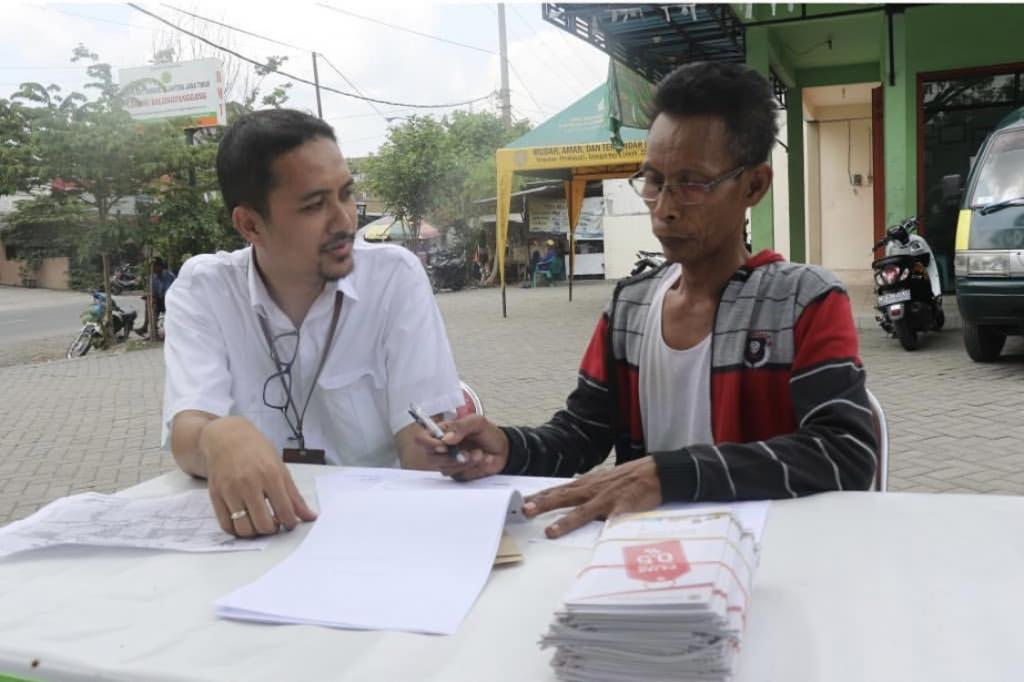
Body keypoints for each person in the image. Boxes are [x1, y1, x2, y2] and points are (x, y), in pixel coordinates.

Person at [425, 61, 877, 538]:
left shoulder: (804, 302)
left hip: (768, 562)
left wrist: (671, 473)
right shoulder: (631, 306)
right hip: (643, 560)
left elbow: (844, 453)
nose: (664, 209)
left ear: (754, 186)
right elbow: (582, 433)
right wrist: (507, 448)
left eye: (692, 183)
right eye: (654, 181)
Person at [163, 109, 464, 538]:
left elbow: (419, 447)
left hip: (379, 534)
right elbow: (188, 434)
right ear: (250, 225)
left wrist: (450, 452)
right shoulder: (206, 290)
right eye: (314, 205)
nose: (344, 220)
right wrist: (217, 437)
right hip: (263, 537)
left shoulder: (394, 278)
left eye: (345, 194)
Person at [135, 256, 175, 338]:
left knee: (157, 301)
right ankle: (148, 327)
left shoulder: (169, 276)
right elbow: (153, 292)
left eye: (154, 266)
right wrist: (150, 297)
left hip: (170, 301)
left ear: (160, 266)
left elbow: (169, 292)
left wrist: (157, 298)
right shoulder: (153, 278)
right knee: (149, 302)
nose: (153, 268)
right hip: (160, 301)